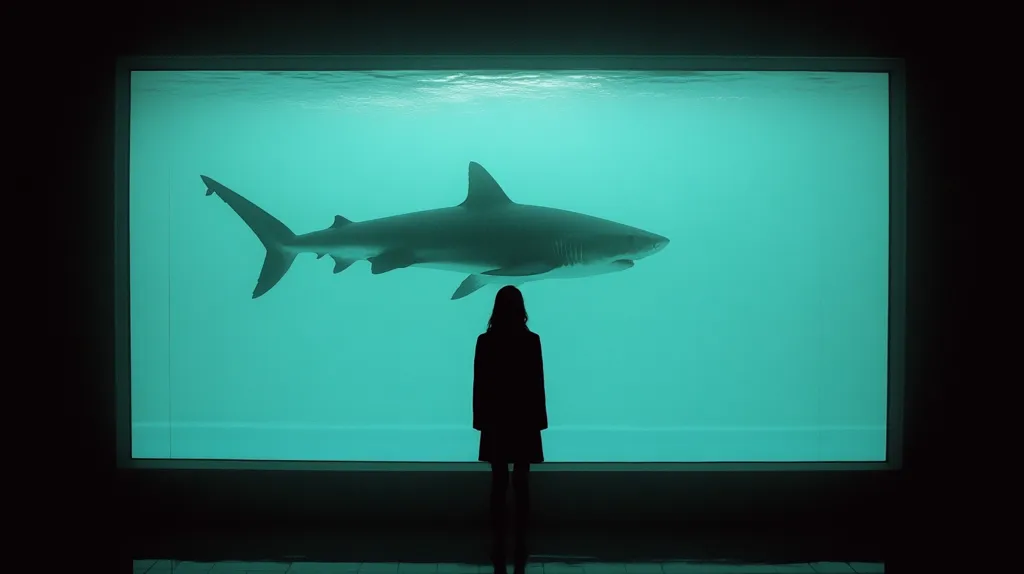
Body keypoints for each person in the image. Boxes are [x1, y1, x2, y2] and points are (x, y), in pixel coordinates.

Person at [472, 285, 548, 574]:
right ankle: (521, 537)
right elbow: (537, 384)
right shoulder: (532, 341)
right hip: (524, 419)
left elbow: (479, 385)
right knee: (522, 481)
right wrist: (540, 422)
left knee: (499, 480)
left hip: (496, 419)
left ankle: (498, 536)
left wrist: (480, 421)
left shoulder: (485, 341)